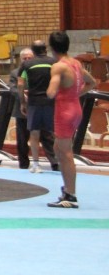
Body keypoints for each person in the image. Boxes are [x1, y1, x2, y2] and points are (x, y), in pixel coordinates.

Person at [46, 31, 96, 208]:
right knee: (58, 148)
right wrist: (75, 94)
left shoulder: (58, 67)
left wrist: (37, 92)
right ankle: (67, 188)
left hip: (64, 112)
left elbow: (51, 93)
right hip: (75, 108)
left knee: (66, 153)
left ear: (52, 48)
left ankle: (71, 194)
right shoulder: (76, 63)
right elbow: (92, 82)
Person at [17, 41, 58, 172]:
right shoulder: (54, 62)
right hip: (51, 102)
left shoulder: (26, 64)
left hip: (34, 103)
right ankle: (60, 160)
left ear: (33, 51)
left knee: (34, 133)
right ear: (45, 49)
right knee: (54, 133)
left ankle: (36, 164)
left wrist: (22, 102)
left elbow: (20, 84)